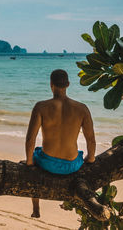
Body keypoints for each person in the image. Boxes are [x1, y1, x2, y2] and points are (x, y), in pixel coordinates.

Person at [25, 69, 96, 218]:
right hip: (72, 165)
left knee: (36, 154)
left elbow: (30, 139)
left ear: (51, 85)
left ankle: (36, 209)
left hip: (47, 163)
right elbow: (91, 140)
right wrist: (90, 159)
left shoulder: (41, 107)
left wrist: (30, 163)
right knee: (80, 154)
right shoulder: (82, 108)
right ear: (68, 84)